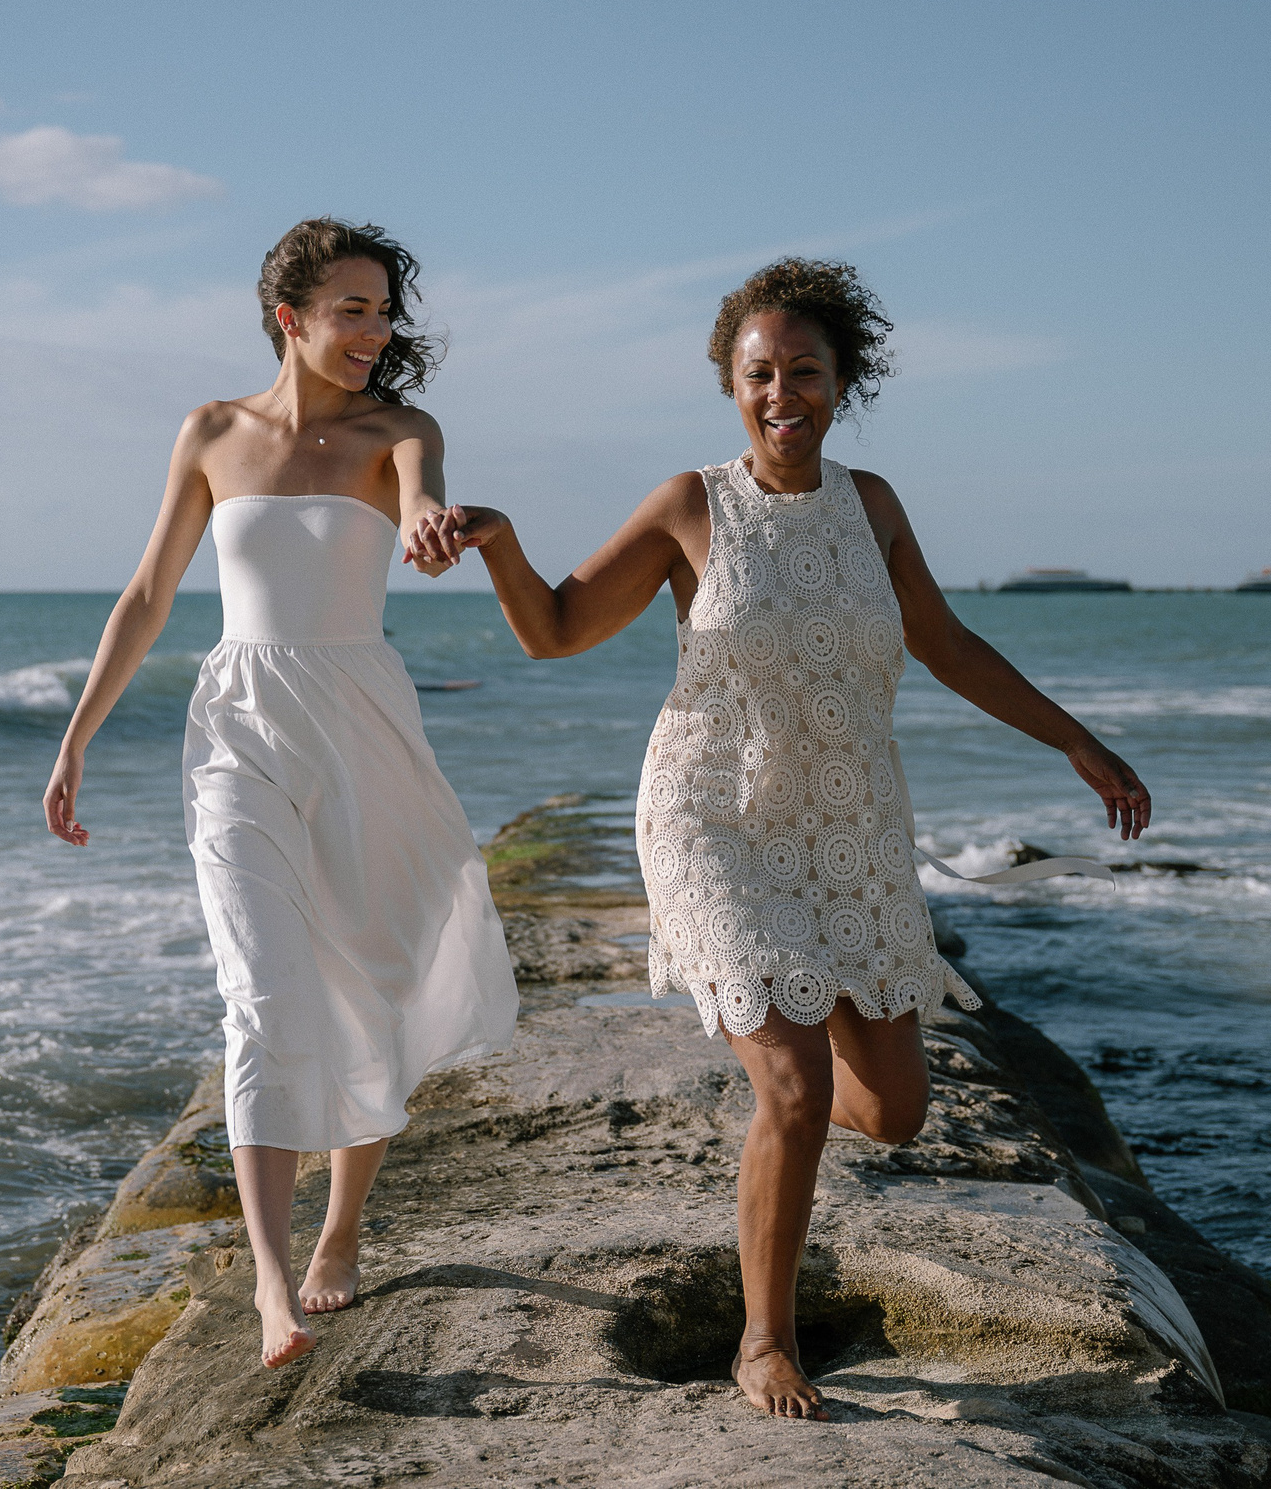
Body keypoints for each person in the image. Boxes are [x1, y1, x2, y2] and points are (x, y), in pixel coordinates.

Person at [407, 257, 1150, 1420]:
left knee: (895, 1114)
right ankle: (764, 1341)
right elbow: (554, 630)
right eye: (760, 374)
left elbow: (946, 645)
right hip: (712, 821)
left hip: (847, 826)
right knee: (799, 1086)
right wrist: (498, 542)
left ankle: (772, 1088)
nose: (781, 394)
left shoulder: (875, 505)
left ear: (841, 383)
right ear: (730, 385)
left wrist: (1075, 742)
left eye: (804, 372)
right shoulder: (689, 506)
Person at [46, 218, 518, 1370]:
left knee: (378, 976)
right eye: (349, 309)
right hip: (238, 728)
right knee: (261, 995)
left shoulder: (399, 430)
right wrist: (74, 744)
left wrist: (430, 529)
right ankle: (271, 1285)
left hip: (361, 723)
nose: (374, 331)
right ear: (289, 318)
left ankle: (343, 1227)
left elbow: (419, 503)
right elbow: (148, 596)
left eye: (382, 310)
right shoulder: (211, 432)